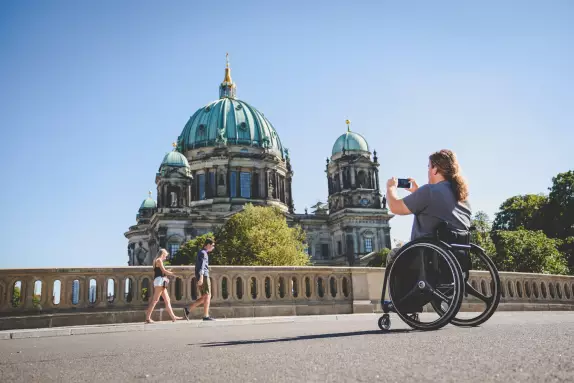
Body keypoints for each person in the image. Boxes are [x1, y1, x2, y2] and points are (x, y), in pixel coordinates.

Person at [385, 149, 472, 266]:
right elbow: (437, 207)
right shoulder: (463, 198)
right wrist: (417, 192)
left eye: (429, 167)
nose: (428, 171)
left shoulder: (429, 192)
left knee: (393, 254)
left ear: (435, 169)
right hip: (455, 261)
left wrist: (390, 188)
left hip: (427, 259)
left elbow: (395, 207)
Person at [144, 248, 183, 323]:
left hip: (160, 281)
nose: (165, 257)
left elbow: (162, 272)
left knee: (167, 300)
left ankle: (173, 317)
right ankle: (147, 318)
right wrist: (173, 274)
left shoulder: (157, 260)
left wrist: (168, 271)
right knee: (155, 300)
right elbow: (164, 271)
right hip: (159, 281)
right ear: (162, 254)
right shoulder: (159, 260)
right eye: (165, 255)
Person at [184, 238, 216, 321]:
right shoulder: (203, 253)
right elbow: (201, 266)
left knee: (205, 297)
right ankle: (205, 316)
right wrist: (201, 277)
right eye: (212, 245)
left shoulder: (201, 252)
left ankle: (188, 309)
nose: (213, 247)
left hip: (201, 276)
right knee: (208, 296)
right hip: (204, 276)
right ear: (208, 245)